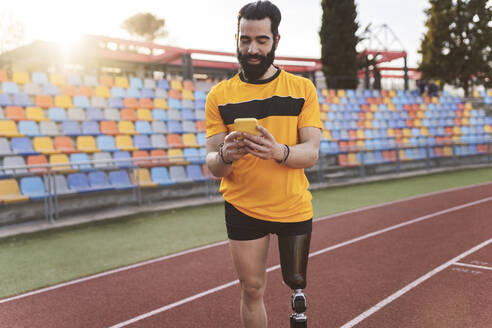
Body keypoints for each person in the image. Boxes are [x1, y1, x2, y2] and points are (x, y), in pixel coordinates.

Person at [205, 1, 322, 327]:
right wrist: (226, 155)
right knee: (251, 287)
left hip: (292, 205)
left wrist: (278, 152)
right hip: (243, 207)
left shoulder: (302, 89)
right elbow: (214, 165)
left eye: (261, 40)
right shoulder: (218, 95)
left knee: (296, 285)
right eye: (245, 40)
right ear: (237, 38)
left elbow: (311, 153)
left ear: (276, 41)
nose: (252, 48)